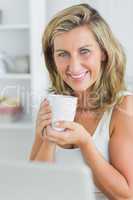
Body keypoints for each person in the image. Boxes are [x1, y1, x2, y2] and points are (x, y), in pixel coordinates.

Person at [29, 3, 133, 200]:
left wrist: (85, 143)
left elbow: (127, 195)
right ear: (53, 59)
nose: (74, 66)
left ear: (103, 52)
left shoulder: (124, 107)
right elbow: (35, 184)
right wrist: (48, 139)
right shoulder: (50, 105)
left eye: (84, 51)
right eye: (63, 54)